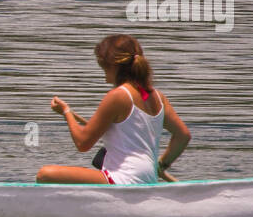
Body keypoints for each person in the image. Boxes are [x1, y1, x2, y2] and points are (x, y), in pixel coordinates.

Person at [37, 34, 190, 184]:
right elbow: (183, 136)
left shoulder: (118, 96)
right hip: (149, 179)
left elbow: (82, 143)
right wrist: (161, 165)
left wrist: (66, 112)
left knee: (45, 174)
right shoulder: (156, 96)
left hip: (124, 179)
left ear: (112, 65)